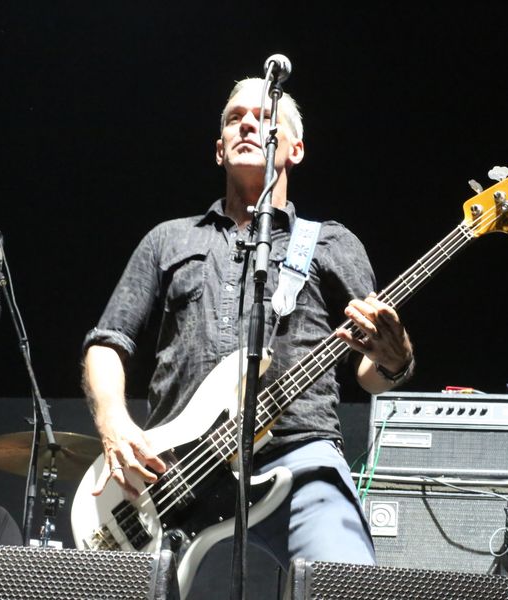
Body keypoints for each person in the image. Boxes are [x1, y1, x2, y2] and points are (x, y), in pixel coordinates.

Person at [81, 77, 414, 577]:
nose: (248, 125)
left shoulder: (331, 243)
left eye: (265, 118)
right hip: (175, 478)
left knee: (346, 584)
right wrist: (114, 423)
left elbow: (368, 371)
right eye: (235, 118)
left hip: (300, 461)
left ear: (295, 149)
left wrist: (395, 358)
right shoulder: (168, 240)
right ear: (220, 150)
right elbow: (107, 343)